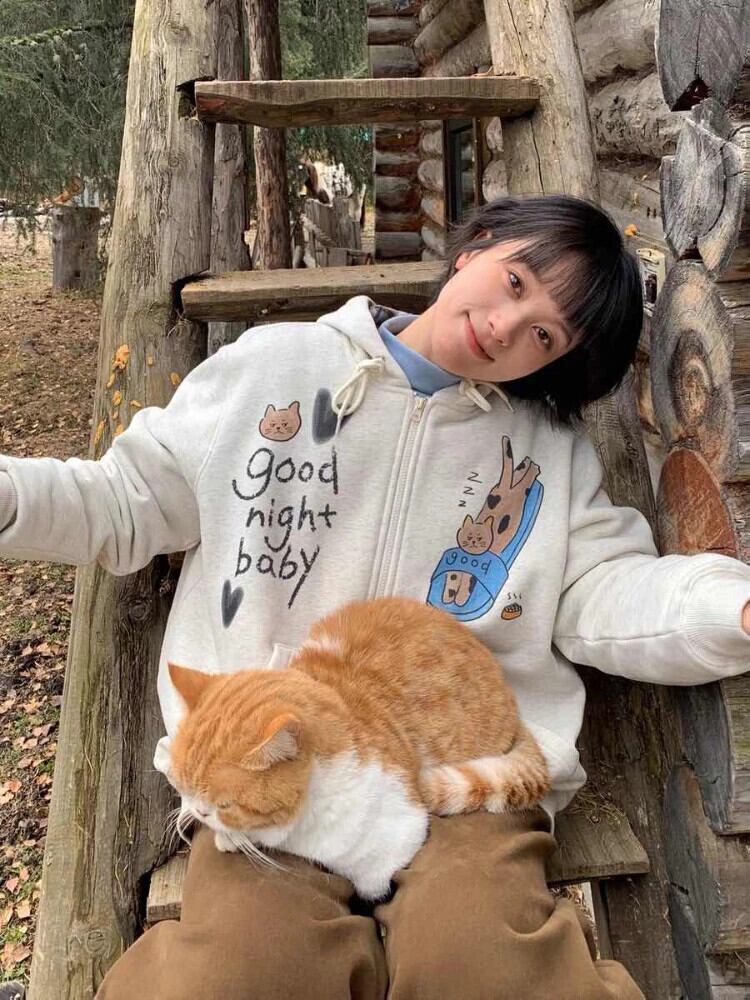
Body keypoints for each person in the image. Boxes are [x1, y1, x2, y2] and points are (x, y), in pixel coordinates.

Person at [2, 194, 749, 1000]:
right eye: (515, 282)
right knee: (241, 970)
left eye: (544, 336)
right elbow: (121, 501)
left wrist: (730, 608)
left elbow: (607, 589)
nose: (505, 327)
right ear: (476, 246)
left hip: (463, 768)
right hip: (278, 761)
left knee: (485, 963)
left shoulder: (549, 455)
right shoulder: (273, 366)